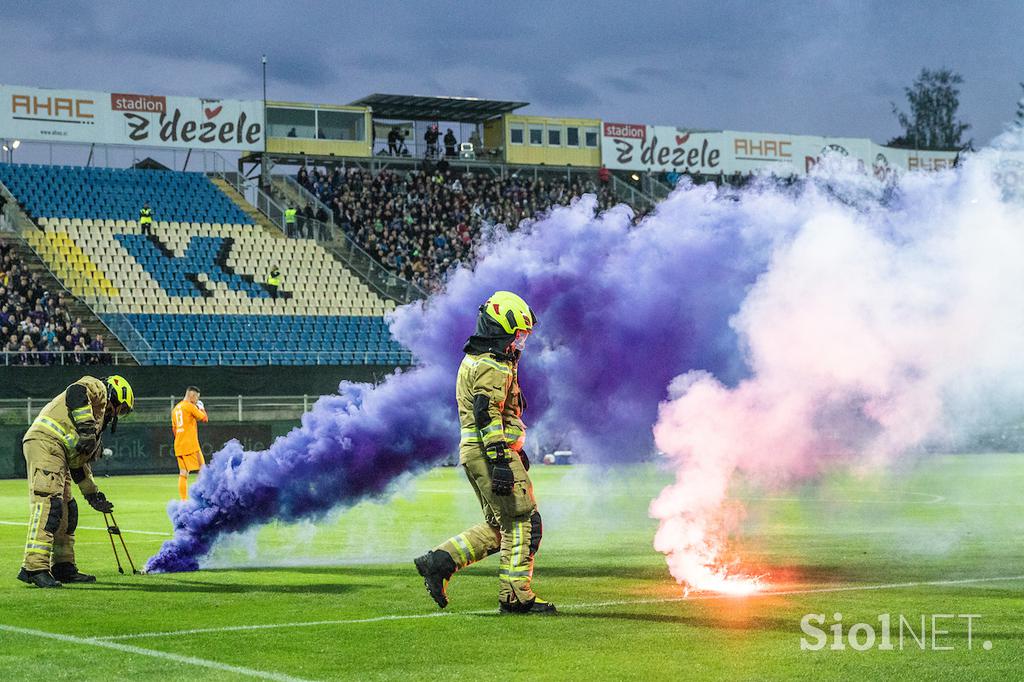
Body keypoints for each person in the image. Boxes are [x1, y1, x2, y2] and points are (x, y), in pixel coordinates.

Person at [415, 291, 555, 615]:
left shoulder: (475, 359)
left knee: (501, 524)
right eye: (516, 335)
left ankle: (439, 561)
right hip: (489, 452)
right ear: (498, 328)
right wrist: (500, 458)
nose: (518, 342)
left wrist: (511, 451)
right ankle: (515, 597)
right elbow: (486, 412)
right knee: (524, 522)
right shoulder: (493, 364)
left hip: (475, 451)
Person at [18, 375, 134, 588]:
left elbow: (78, 464)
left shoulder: (94, 425)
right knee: (49, 504)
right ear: (116, 396)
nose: (117, 414)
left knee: (67, 510)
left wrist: (92, 494)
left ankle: (64, 567)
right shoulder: (97, 388)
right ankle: (34, 567)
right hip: (46, 442)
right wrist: (87, 429)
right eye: (121, 408)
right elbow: (75, 392)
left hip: (60, 451)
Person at [171, 386, 209, 501]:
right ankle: (201, 497)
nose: (197, 400)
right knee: (203, 470)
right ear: (192, 396)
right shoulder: (190, 406)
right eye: (197, 397)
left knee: (183, 473)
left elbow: (174, 429)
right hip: (191, 445)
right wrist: (201, 408)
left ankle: (183, 501)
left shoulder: (175, 408)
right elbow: (204, 419)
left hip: (178, 444)